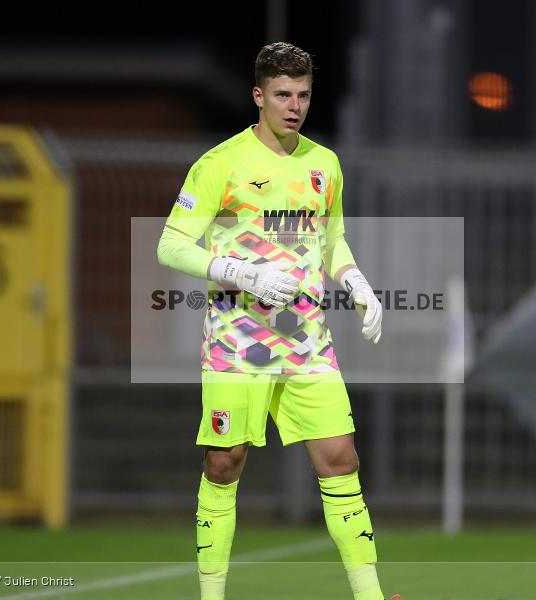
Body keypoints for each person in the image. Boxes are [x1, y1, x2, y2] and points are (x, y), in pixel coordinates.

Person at [157, 42, 395, 600]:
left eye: (303, 95)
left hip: (307, 342)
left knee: (341, 459)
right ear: (258, 96)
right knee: (225, 463)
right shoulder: (220, 164)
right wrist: (242, 273)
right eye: (283, 94)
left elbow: (332, 241)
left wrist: (356, 281)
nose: (295, 106)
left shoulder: (324, 163)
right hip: (237, 342)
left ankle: (369, 595)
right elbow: (171, 245)